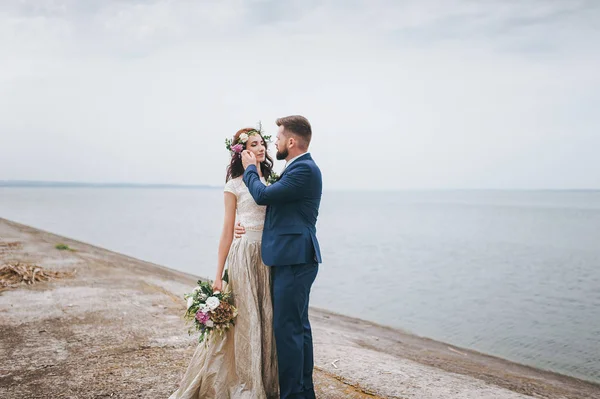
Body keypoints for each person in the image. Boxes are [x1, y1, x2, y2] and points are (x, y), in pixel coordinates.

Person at [169, 127, 278, 399]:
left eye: (262, 142)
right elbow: (227, 229)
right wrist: (218, 276)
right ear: (242, 152)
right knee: (246, 319)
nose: (261, 147)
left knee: (267, 316)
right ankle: (244, 381)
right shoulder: (234, 185)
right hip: (244, 256)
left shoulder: (275, 181)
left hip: (271, 256)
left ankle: (267, 378)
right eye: (254, 144)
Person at [239, 115, 322, 399]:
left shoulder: (304, 170)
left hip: (295, 260)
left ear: (291, 141)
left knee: (288, 330)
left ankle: (293, 394)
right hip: (292, 258)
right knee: (297, 328)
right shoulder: (296, 169)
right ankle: (302, 392)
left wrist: (250, 169)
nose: (273, 142)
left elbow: (263, 196)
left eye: (276, 138)